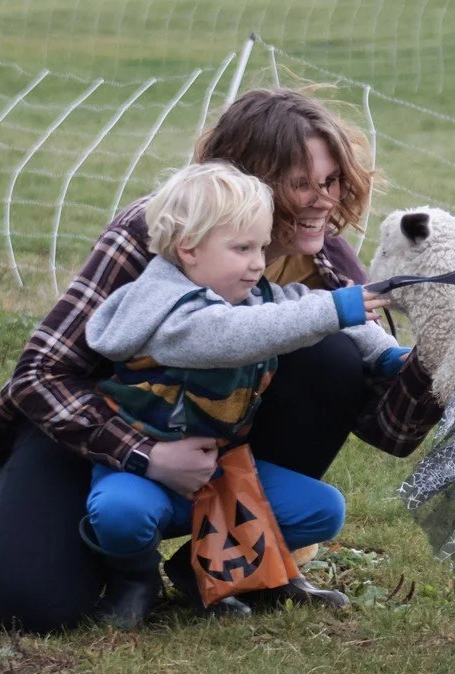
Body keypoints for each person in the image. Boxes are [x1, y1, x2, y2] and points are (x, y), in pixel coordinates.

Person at [0, 88, 445, 633]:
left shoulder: (323, 259)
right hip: (93, 432)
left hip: (219, 447)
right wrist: (144, 454)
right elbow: (40, 375)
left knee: (334, 354)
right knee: (30, 606)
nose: (324, 201)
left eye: (331, 181)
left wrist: (443, 350)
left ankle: (222, 561)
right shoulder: (154, 235)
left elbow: (388, 425)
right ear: (248, 182)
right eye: (300, 184)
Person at [81, 161, 409, 627]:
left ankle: (199, 569)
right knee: (121, 513)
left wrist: (389, 356)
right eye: (242, 248)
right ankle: (134, 579)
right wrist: (337, 308)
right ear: (188, 249)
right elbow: (232, 335)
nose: (258, 262)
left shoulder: (251, 294)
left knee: (322, 510)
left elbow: (306, 304)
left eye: (260, 247)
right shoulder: (164, 307)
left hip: (220, 472)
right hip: (146, 470)